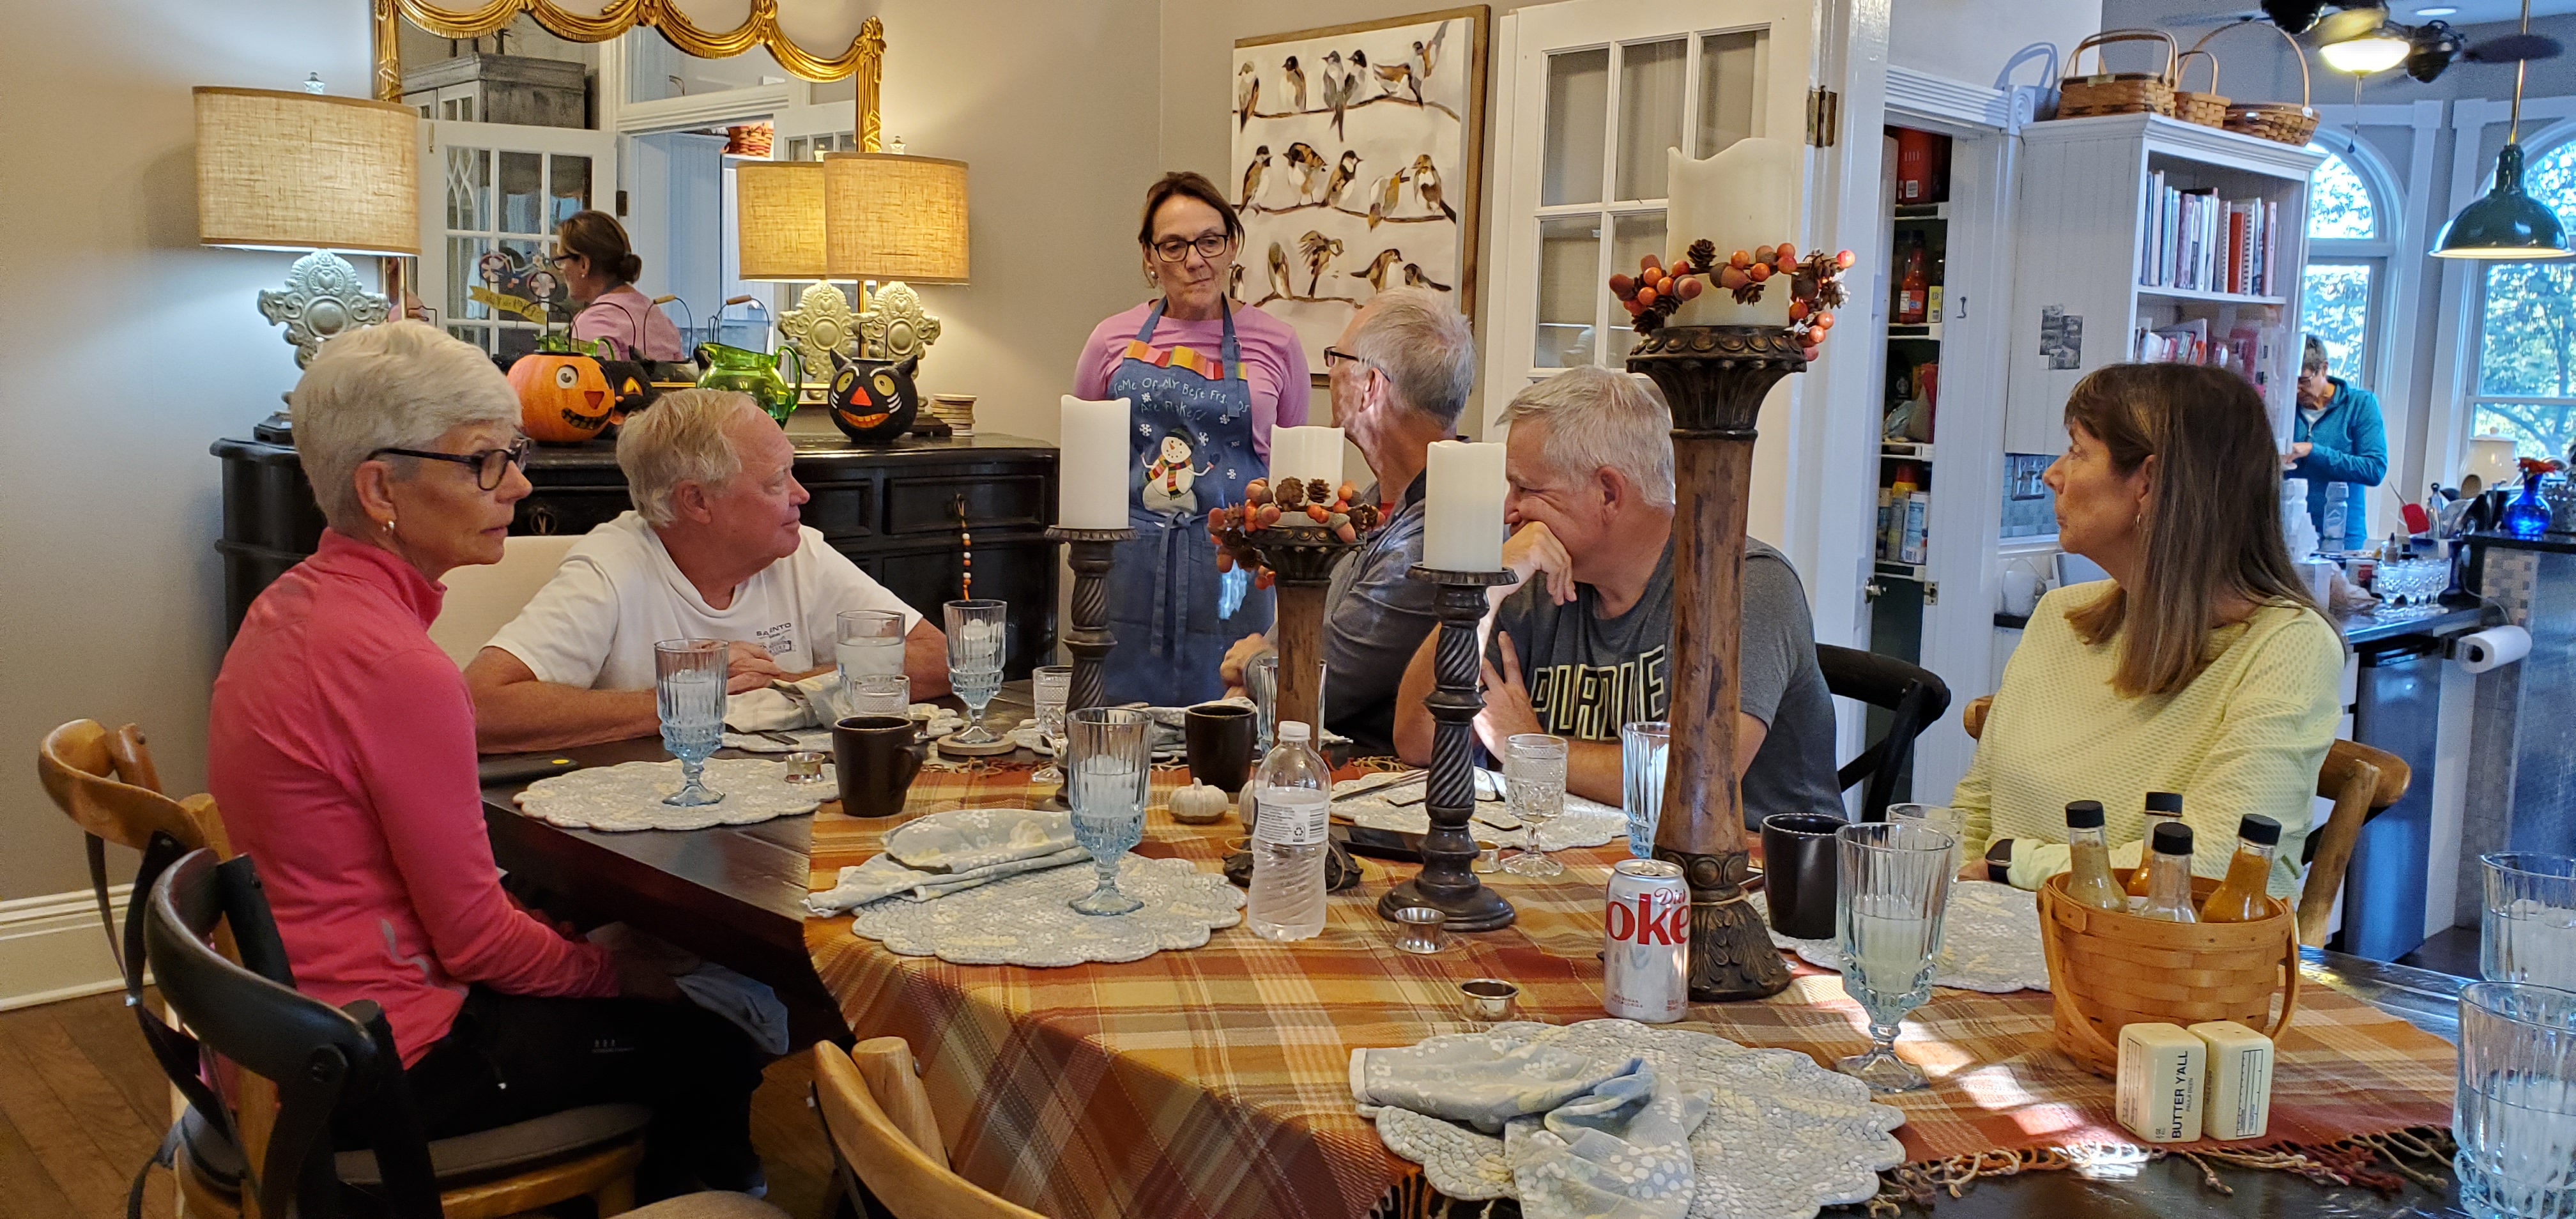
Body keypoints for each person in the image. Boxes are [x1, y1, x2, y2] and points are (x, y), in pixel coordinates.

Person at [205, 321, 765, 1197]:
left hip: (285, 1032)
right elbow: (477, 944)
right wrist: (620, 973)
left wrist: (569, 947)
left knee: (588, 947)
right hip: (374, 1064)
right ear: (380, 488)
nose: (519, 484)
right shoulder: (398, 666)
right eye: (483, 462)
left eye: (513, 454)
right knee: (713, 1041)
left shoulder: (290, 606)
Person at [1956, 363, 2344, 898]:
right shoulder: (2059, 617)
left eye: (2077, 451)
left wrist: (2012, 863)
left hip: (2156, 949)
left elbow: (2222, 868)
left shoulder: (2288, 646)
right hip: (2002, 935)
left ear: (2148, 483)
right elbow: (1977, 808)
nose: (2054, 475)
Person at [1391, 367, 1841, 821]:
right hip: (1581, 852)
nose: (1509, 510)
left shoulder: (1741, 583)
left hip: (1752, 861)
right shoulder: (1538, 576)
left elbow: (1692, 781)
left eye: (1526, 489)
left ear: (1608, 492)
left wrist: (1526, 747)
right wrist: (1487, 588)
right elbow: (1419, 741)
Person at [466, 389, 948, 752]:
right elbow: (481, 707)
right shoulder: (611, 568)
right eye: (776, 481)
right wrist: (691, 694)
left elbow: (936, 658)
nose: (801, 495)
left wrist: (780, 688)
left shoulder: (799, 553)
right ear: (697, 501)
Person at [1073, 171, 1309, 706]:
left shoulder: (1277, 344)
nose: (1195, 260)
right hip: (1130, 570)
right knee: (1117, 722)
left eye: (1210, 241)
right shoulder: (1110, 340)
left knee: (1229, 721)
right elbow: (1087, 460)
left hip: (1233, 569)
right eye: (1174, 245)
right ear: (1149, 256)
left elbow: (1289, 476)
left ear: (1232, 246)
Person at [1217, 288, 1475, 753]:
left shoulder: (1442, 531)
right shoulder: (1369, 506)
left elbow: (1327, 685)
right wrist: (1263, 672)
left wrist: (1255, 665)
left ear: (1370, 386)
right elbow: (1293, 644)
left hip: (1374, 778)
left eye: (1337, 358)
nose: (1331, 371)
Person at [2285, 334, 2387, 551]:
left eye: (2303, 381)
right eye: (2289, 380)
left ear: (2324, 369)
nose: (2296, 389)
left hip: (2343, 541)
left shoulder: (2360, 404)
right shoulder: (2283, 407)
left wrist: (2314, 451)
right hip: (2287, 536)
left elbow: (2375, 469)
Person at [558, 209, 687, 362]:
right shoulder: (657, 315)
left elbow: (597, 378)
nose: (561, 269)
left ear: (584, 265)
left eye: (561, 260)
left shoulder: (593, 322)